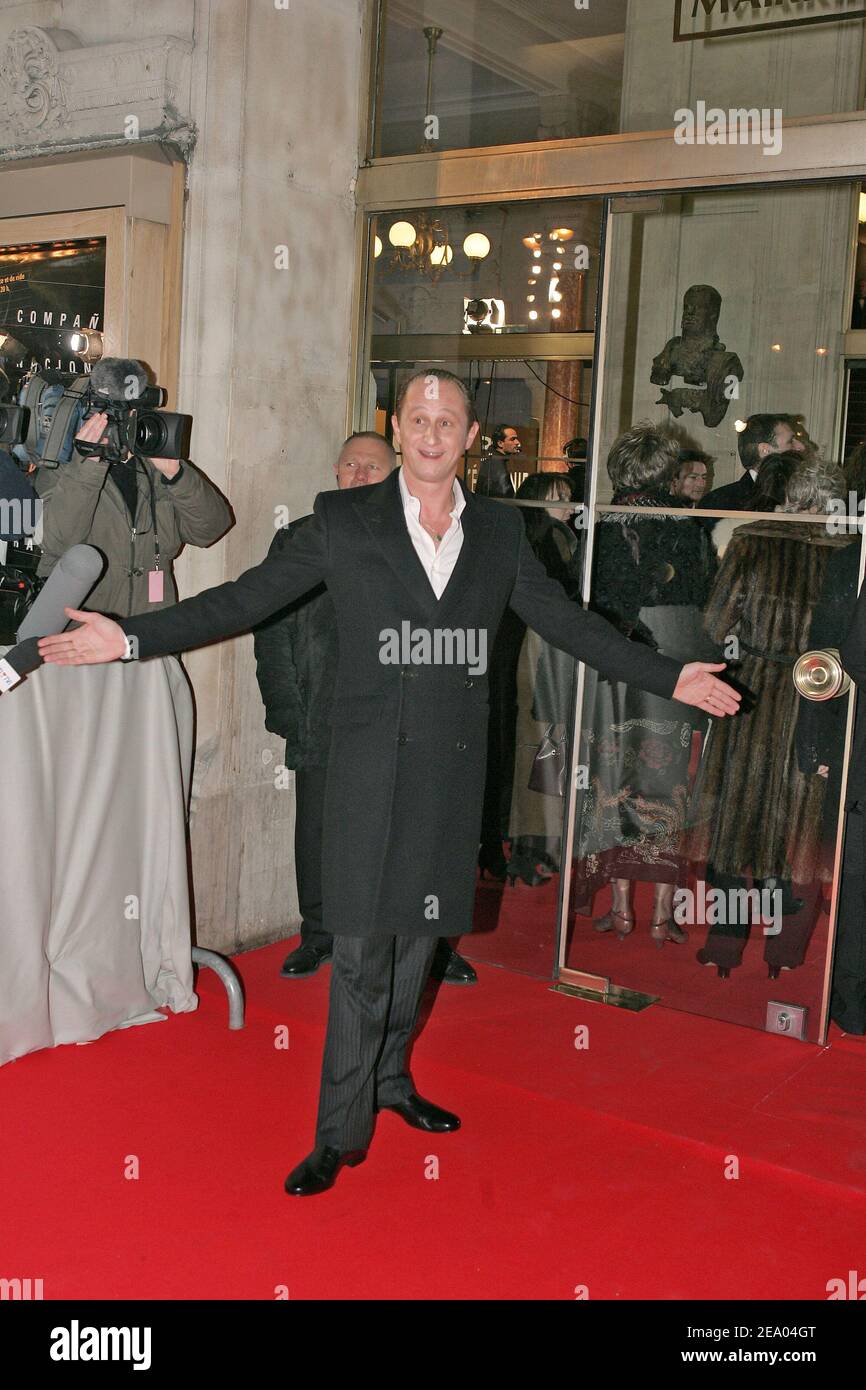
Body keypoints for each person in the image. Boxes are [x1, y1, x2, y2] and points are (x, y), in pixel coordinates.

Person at [37, 369, 740, 1198]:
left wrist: (670, 675)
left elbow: (572, 625)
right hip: (368, 767)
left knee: (420, 935)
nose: (434, 433)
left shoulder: (503, 535)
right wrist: (128, 639)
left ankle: (394, 1079)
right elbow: (242, 600)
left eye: (449, 420)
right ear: (398, 429)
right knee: (365, 947)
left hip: (451, 768)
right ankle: (339, 1130)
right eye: (419, 418)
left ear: (472, 436)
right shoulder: (342, 522)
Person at [254, 430, 476, 986]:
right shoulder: (301, 539)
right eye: (350, 465)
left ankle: (430, 945)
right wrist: (287, 705)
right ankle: (319, 933)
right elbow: (270, 627)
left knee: (423, 832)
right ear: (335, 471)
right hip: (321, 712)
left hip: (409, 717)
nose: (358, 475)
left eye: (371, 467)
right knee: (319, 830)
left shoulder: (427, 539)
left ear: (394, 474)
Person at [688, 460, 848, 978]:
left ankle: (726, 946)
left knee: (735, 819)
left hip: (751, 692)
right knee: (798, 828)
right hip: (819, 697)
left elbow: (715, 622)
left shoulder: (753, 540)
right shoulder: (850, 553)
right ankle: (783, 953)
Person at [573, 423, 719, 947]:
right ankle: (661, 914)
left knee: (612, 780)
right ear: (667, 472)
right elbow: (707, 600)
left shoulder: (602, 524)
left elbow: (581, 601)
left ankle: (620, 910)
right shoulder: (687, 525)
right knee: (668, 784)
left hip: (615, 662)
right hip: (676, 664)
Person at [34, 410, 232, 618]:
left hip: (152, 628)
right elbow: (54, 542)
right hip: (83, 631)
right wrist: (87, 463)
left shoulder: (156, 465)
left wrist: (176, 475)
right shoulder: (60, 466)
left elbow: (210, 530)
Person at [506, 473, 583, 886]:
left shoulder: (547, 539)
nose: (570, 505)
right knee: (546, 746)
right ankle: (542, 847)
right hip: (543, 657)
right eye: (561, 498)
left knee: (537, 749)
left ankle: (533, 847)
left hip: (537, 656)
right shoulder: (552, 541)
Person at [698, 413, 805, 516]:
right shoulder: (718, 503)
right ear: (765, 450)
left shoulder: (803, 497)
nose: (801, 447)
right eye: (791, 441)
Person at [475, 423, 520, 498]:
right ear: (500, 443)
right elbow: (504, 497)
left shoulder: (494, 460)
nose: (517, 442)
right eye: (512, 439)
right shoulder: (496, 464)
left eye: (516, 439)